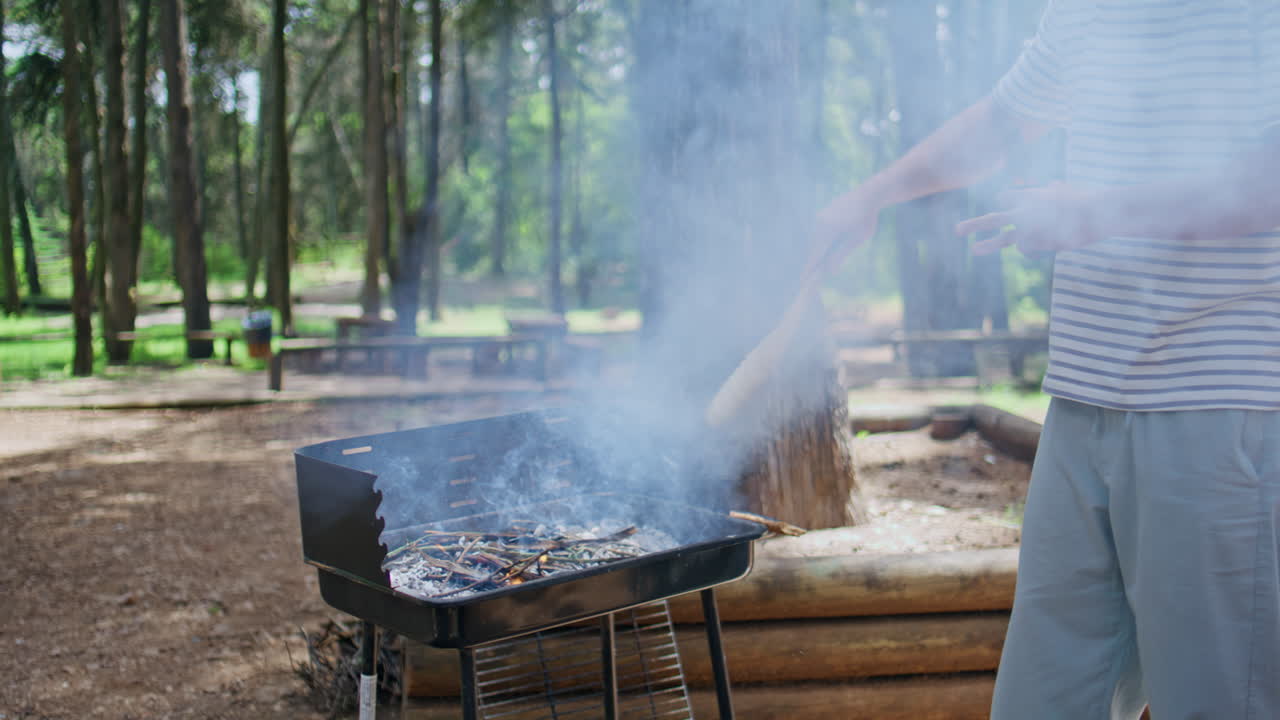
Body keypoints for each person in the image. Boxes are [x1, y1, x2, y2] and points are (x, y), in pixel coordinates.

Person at [814, 1, 1280, 717]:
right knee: (1044, 703)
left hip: (1216, 410)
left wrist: (1095, 214)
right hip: (1083, 404)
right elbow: (1003, 122)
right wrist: (872, 196)